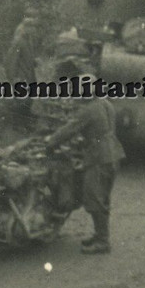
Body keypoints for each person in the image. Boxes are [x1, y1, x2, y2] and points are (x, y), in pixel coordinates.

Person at [43, 77, 125, 254]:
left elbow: (69, 129)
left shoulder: (88, 110)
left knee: (94, 197)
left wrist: (50, 142)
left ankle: (103, 242)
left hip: (99, 158)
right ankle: (100, 236)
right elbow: (102, 130)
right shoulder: (106, 104)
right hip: (113, 154)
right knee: (102, 196)